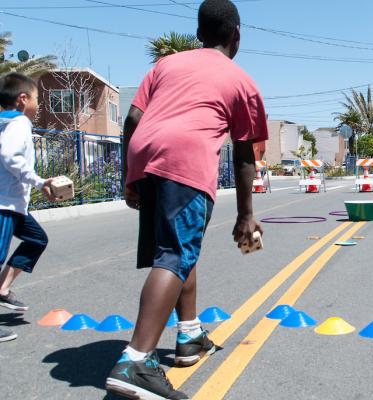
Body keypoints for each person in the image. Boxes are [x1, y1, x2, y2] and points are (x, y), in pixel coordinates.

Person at [105, 1, 268, 398]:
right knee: (175, 256)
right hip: (185, 159)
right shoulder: (241, 81)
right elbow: (245, 154)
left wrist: (132, 175)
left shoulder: (166, 65)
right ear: (237, 35)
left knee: (177, 249)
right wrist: (247, 215)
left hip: (146, 154)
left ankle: (190, 335)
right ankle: (136, 362)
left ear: (198, 35)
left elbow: (131, 120)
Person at [0, 73, 56, 343]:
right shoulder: (20, 122)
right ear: (22, 99)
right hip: (4, 204)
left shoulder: (4, 122)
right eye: (36, 98)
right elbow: (10, 156)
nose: (38, 104)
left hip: (13, 204)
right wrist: (39, 181)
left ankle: (2, 289)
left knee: (37, 239)